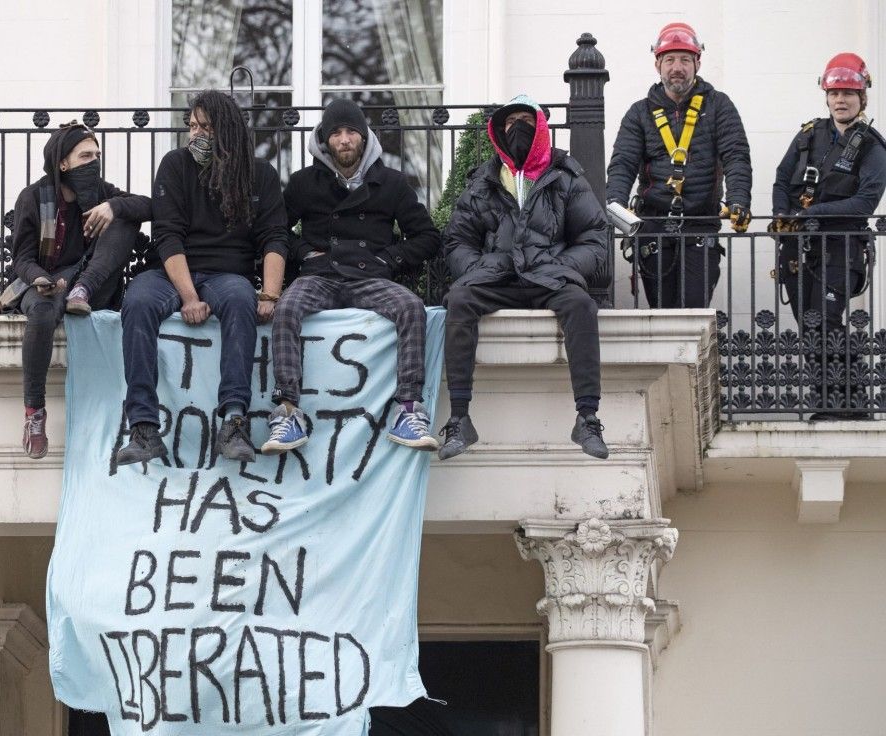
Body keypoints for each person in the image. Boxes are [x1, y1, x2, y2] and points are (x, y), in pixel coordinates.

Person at [116, 90, 288, 465]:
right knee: (139, 301)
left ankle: (234, 421)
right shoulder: (175, 165)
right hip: (173, 271)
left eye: (204, 127)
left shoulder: (260, 175)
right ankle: (143, 427)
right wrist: (190, 298)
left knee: (242, 300)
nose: (195, 134)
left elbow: (275, 236)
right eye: (191, 126)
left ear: (226, 130)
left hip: (229, 273)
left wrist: (270, 295)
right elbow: (168, 235)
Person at [262, 99, 441, 454]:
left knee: (411, 307)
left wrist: (388, 258)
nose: (344, 140)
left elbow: (428, 236)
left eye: (351, 132)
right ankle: (286, 410)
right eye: (336, 133)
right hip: (320, 275)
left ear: (364, 137)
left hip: (370, 277)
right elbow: (275, 231)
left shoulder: (391, 182)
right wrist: (303, 253)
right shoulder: (302, 183)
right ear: (325, 140)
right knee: (287, 309)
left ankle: (408, 409)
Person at [439, 94, 610, 460]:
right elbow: (457, 240)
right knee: (459, 301)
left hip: (549, 279)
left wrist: (560, 269)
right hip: (498, 279)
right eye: (510, 122)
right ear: (498, 131)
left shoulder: (566, 178)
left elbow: (594, 239)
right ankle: (459, 419)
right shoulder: (483, 182)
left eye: (526, 121)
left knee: (580, 305)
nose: (518, 128)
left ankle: (588, 417)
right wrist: (478, 270)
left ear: (542, 128)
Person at [12, 121, 151, 459]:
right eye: (86, 155)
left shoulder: (103, 193)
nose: (94, 161)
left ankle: (82, 291)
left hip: (90, 285)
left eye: (97, 155)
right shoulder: (33, 198)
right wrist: (40, 279)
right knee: (42, 314)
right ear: (63, 163)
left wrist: (114, 206)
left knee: (125, 217)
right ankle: (34, 413)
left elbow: (151, 206)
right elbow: (22, 258)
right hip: (44, 282)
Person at [772, 52, 886, 420]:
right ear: (825, 94)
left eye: (849, 93)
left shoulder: (871, 146)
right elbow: (780, 179)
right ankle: (827, 398)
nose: (841, 99)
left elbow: (866, 202)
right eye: (835, 92)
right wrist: (783, 218)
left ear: (862, 96)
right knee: (808, 323)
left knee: (827, 319)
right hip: (798, 249)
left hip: (842, 246)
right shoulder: (808, 135)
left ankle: (846, 403)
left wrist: (809, 215)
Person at [607, 22, 752, 308]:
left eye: (685, 59)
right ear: (657, 64)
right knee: (661, 315)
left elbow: (736, 156)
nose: (677, 67)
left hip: (700, 224)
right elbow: (623, 163)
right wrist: (615, 206)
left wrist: (738, 200)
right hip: (654, 227)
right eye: (670, 59)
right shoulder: (639, 112)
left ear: (697, 62)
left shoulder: (719, 106)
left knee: (694, 312)